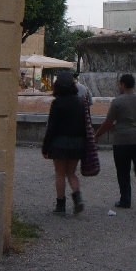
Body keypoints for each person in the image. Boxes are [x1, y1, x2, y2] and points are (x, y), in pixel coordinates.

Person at [94, 74, 136, 211]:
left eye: (119, 84)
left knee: (123, 171)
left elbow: (109, 122)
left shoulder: (117, 102)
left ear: (122, 84)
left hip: (122, 140)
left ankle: (125, 200)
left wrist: (97, 135)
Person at [42, 71, 86, 215]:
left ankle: (61, 205)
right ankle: (78, 197)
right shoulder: (80, 102)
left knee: (60, 174)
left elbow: (52, 127)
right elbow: (85, 125)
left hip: (59, 142)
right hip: (76, 143)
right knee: (72, 173)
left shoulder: (57, 103)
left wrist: (45, 147)